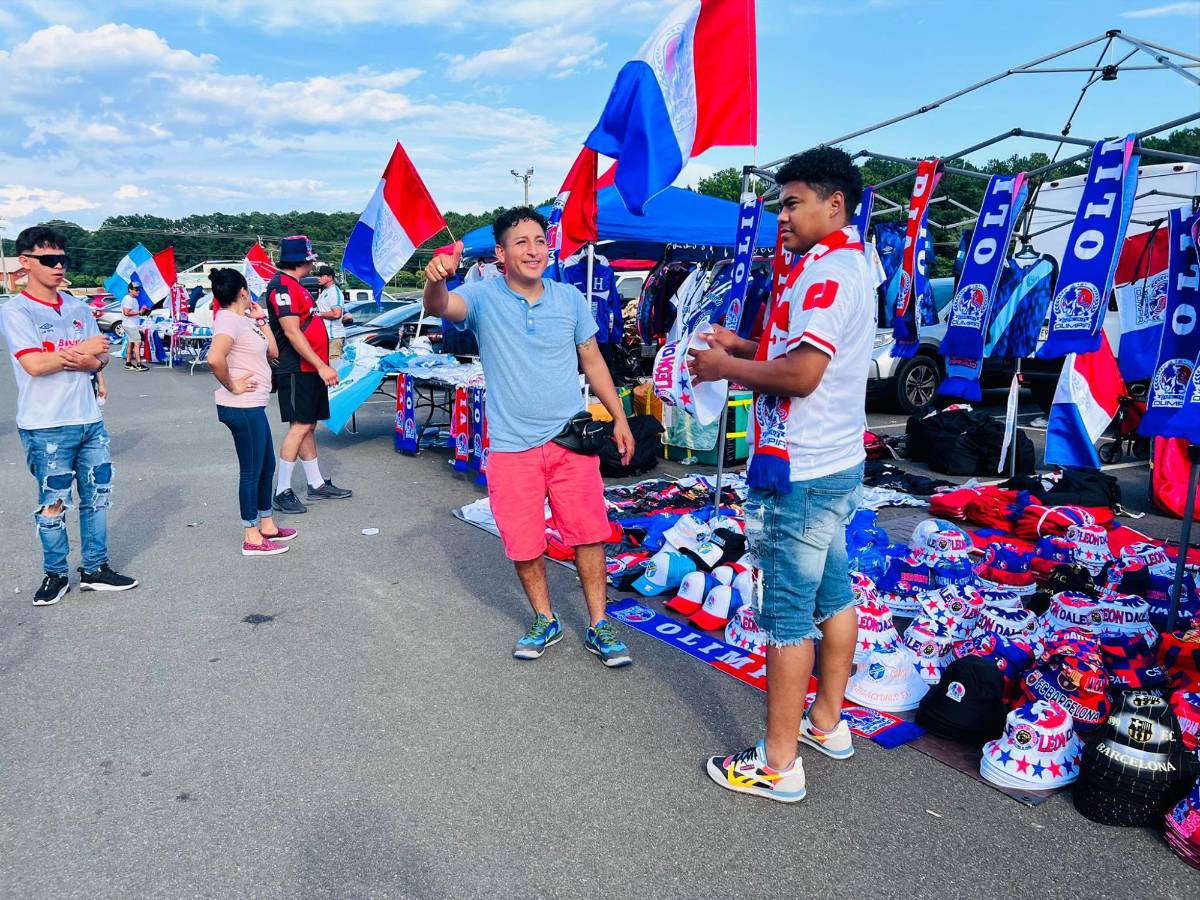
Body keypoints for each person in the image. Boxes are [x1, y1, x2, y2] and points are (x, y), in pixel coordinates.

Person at [688, 147, 875, 802]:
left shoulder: (831, 271)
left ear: (835, 205)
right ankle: (827, 721)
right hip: (829, 460)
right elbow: (792, 354)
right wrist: (743, 348)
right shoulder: (831, 264)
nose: (782, 216)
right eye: (778, 204)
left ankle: (778, 763)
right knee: (834, 595)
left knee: (789, 617)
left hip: (801, 469)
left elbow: (802, 375)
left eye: (792, 203)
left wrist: (724, 369)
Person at [423, 207, 636, 668]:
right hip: (510, 446)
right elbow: (440, 306)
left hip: (569, 440)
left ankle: (599, 624)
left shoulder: (570, 299)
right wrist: (437, 278)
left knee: (588, 534)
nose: (533, 250)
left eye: (539, 240)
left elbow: (593, 360)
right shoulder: (480, 297)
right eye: (521, 242)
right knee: (523, 540)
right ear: (500, 254)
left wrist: (619, 417)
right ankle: (545, 618)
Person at [0, 225, 138, 605]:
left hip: (89, 419)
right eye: (49, 260)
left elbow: (102, 358)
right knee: (53, 503)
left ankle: (94, 567)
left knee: (98, 497)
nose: (59, 266)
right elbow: (34, 365)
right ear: (25, 263)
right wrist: (82, 353)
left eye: (63, 259)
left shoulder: (78, 307)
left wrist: (84, 358)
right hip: (46, 425)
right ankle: (55, 573)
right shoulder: (17, 311)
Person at [207, 268, 297, 556]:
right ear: (243, 292)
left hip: (253, 405)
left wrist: (262, 319)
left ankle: (267, 525)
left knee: (266, 466)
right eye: (248, 292)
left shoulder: (243, 320)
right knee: (251, 470)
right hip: (240, 406)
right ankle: (251, 535)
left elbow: (273, 352)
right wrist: (232, 385)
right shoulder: (228, 321)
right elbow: (214, 359)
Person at [263, 235, 351, 514]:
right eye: (311, 258)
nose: (314, 263)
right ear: (304, 260)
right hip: (297, 368)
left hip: (309, 368)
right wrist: (322, 365)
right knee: (299, 427)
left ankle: (315, 483)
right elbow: (291, 331)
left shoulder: (296, 286)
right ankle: (282, 490)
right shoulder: (281, 287)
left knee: (308, 425)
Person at [314, 265, 346, 360]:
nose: (318, 278)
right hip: (325, 336)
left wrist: (318, 314)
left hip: (334, 336)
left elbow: (336, 314)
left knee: (334, 366)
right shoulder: (324, 291)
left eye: (321, 276)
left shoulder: (334, 292)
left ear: (330, 277)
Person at [121, 282, 148, 371]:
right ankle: (139, 364)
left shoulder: (133, 299)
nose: (138, 291)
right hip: (130, 325)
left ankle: (128, 363)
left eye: (138, 289)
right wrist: (139, 312)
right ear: (130, 290)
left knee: (131, 344)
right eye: (136, 290)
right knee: (138, 343)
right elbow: (126, 312)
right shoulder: (129, 299)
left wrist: (142, 311)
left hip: (130, 324)